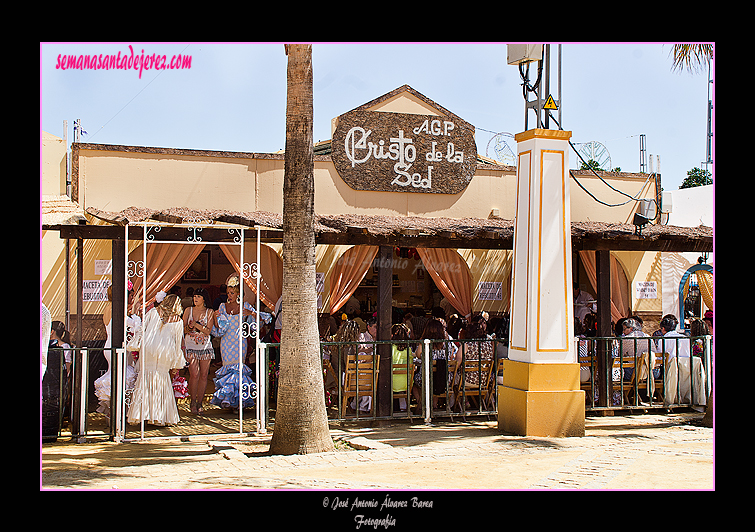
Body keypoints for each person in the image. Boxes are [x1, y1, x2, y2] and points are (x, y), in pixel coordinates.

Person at [127, 294, 186, 426]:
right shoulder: (178, 320)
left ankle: (141, 413)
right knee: (162, 380)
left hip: (149, 349)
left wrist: (136, 345)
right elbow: (177, 343)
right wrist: (176, 362)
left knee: (145, 379)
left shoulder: (153, 312)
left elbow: (142, 330)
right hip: (165, 351)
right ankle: (159, 416)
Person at [210, 275, 264, 411]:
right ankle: (229, 400)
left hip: (240, 341)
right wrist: (215, 318)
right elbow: (218, 328)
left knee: (239, 369)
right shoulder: (222, 306)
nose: (229, 295)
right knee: (228, 369)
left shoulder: (245, 306)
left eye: (232, 293)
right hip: (226, 342)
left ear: (238, 293)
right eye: (228, 293)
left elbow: (262, 319)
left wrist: (251, 313)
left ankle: (240, 402)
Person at [411, 318, 460, 410]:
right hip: (445, 379)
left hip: (426, 378)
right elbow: (450, 357)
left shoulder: (425, 344)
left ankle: (421, 403)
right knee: (438, 375)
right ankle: (434, 404)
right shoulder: (447, 344)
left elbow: (418, 355)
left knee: (414, 381)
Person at [183, 287, 214, 415]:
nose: (195, 299)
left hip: (205, 346)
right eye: (194, 296)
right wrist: (189, 327)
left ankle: (200, 402)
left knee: (204, 375)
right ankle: (192, 400)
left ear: (204, 299)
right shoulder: (188, 310)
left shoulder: (209, 312)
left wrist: (195, 325)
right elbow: (182, 329)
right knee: (194, 374)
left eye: (198, 297)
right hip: (190, 345)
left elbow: (208, 331)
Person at [391, 323, 412, 411]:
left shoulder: (390, 348)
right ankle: (404, 407)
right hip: (406, 382)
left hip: (392, 382)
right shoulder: (408, 350)